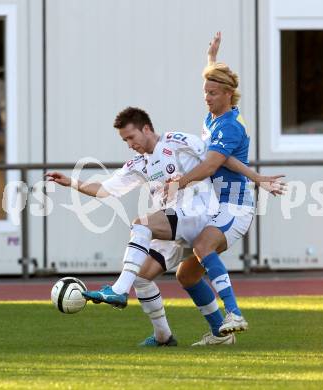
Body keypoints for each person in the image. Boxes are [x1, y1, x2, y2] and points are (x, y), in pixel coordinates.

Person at [46, 107, 283, 346]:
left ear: (146, 128)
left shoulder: (179, 142)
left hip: (198, 212)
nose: (129, 144)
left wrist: (257, 178)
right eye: (125, 140)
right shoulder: (139, 164)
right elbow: (104, 189)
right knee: (142, 277)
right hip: (175, 226)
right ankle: (167, 336)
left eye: (131, 137)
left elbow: (221, 158)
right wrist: (71, 183)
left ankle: (119, 289)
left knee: (143, 223)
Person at [167, 32, 271, 342]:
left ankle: (235, 312)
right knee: (185, 275)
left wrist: (180, 182)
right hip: (216, 204)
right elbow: (225, 163)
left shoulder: (229, 126)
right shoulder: (215, 116)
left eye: (212, 92)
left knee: (202, 246)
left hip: (235, 206)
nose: (206, 97)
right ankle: (221, 333)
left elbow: (212, 165)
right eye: (205, 91)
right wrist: (211, 58)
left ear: (227, 94)